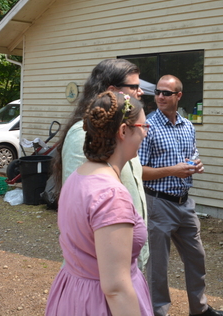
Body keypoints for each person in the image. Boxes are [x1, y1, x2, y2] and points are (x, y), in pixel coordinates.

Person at [45, 91, 153, 316]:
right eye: (144, 126)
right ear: (123, 131)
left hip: (73, 295)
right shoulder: (111, 195)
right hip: (99, 305)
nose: (145, 133)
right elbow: (116, 288)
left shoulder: (79, 175)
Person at [139, 75, 223, 316]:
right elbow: (139, 170)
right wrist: (173, 170)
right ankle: (158, 312)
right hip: (158, 202)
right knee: (158, 266)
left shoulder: (187, 125)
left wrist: (197, 164)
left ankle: (199, 310)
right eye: (158, 92)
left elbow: (193, 155)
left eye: (166, 93)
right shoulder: (147, 126)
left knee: (196, 257)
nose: (160, 96)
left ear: (178, 96)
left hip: (185, 203)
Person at [53, 58, 149, 269]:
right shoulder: (83, 134)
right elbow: (78, 206)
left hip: (127, 257)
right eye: (134, 87)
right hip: (102, 267)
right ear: (112, 91)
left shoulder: (126, 134)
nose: (140, 92)